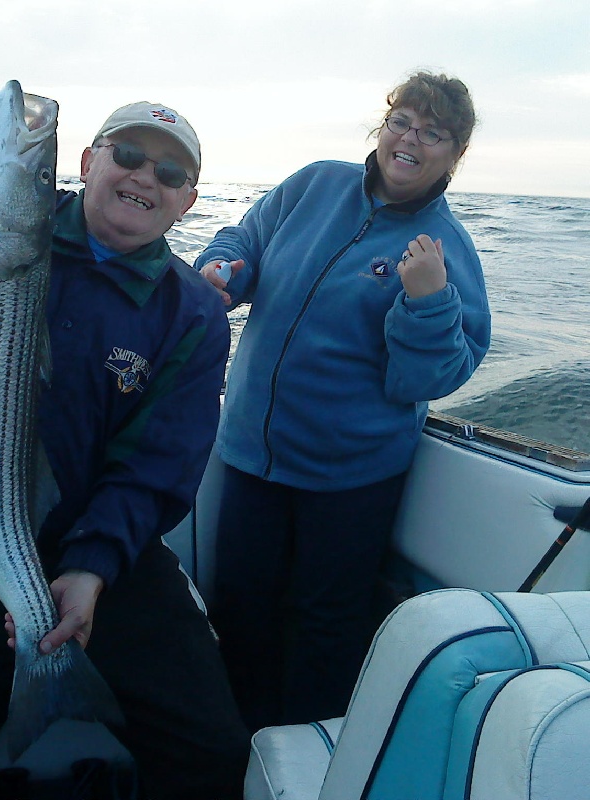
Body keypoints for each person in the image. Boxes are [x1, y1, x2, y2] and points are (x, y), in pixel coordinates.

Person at [0, 91, 250, 799]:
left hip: (111, 556)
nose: (145, 178)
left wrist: (93, 567)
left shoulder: (194, 312)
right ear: (85, 162)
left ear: (188, 202)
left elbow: (157, 464)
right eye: (130, 155)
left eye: (169, 174)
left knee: (211, 750)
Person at [194, 71, 492, 733]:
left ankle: (310, 759)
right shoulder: (315, 186)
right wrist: (222, 272)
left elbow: (432, 376)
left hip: (350, 478)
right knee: (238, 607)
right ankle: (239, 751)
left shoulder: (445, 250)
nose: (410, 139)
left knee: (324, 630)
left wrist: (427, 299)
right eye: (402, 121)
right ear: (383, 127)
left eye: (433, 132)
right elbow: (245, 239)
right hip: (249, 455)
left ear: (455, 153)